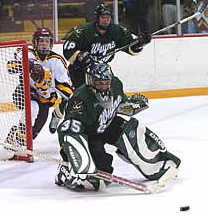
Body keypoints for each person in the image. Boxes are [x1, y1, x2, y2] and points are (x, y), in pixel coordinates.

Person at [55, 62, 181, 190]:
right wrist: (74, 158)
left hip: (108, 124)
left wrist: (133, 104)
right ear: (91, 82)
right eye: (99, 83)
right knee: (98, 181)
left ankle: (157, 164)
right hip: (89, 134)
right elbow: (68, 129)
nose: (104, 87)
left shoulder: (116, 84)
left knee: (131, 129)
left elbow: (121, 104)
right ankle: (65, 171)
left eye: (106, 83)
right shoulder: (80, 98)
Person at [5, 27, 73, 149]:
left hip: (46, 99)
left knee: (33, 133)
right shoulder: (26, 53)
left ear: (51, 44)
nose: (44, 44)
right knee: (32, 108)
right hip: (25, 92)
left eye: (47, 41)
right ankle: (19, 136)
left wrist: (72, 98)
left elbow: (65, 86)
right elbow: (10, 67)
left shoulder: (56, 60)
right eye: (41, 41)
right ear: (35, 42)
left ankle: (14, 137)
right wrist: (28, 65)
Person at [63, 3, 151, 89]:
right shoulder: (84, 30)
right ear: (97, 18)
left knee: (114, 90)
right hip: (79, 70)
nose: (106, 20)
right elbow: (68, 49)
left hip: (102, 70)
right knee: (79, 97)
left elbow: (130, 47)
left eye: (108, 17)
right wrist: (82, 57)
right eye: (103, 17)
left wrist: (139, 44)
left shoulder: (117, 31)